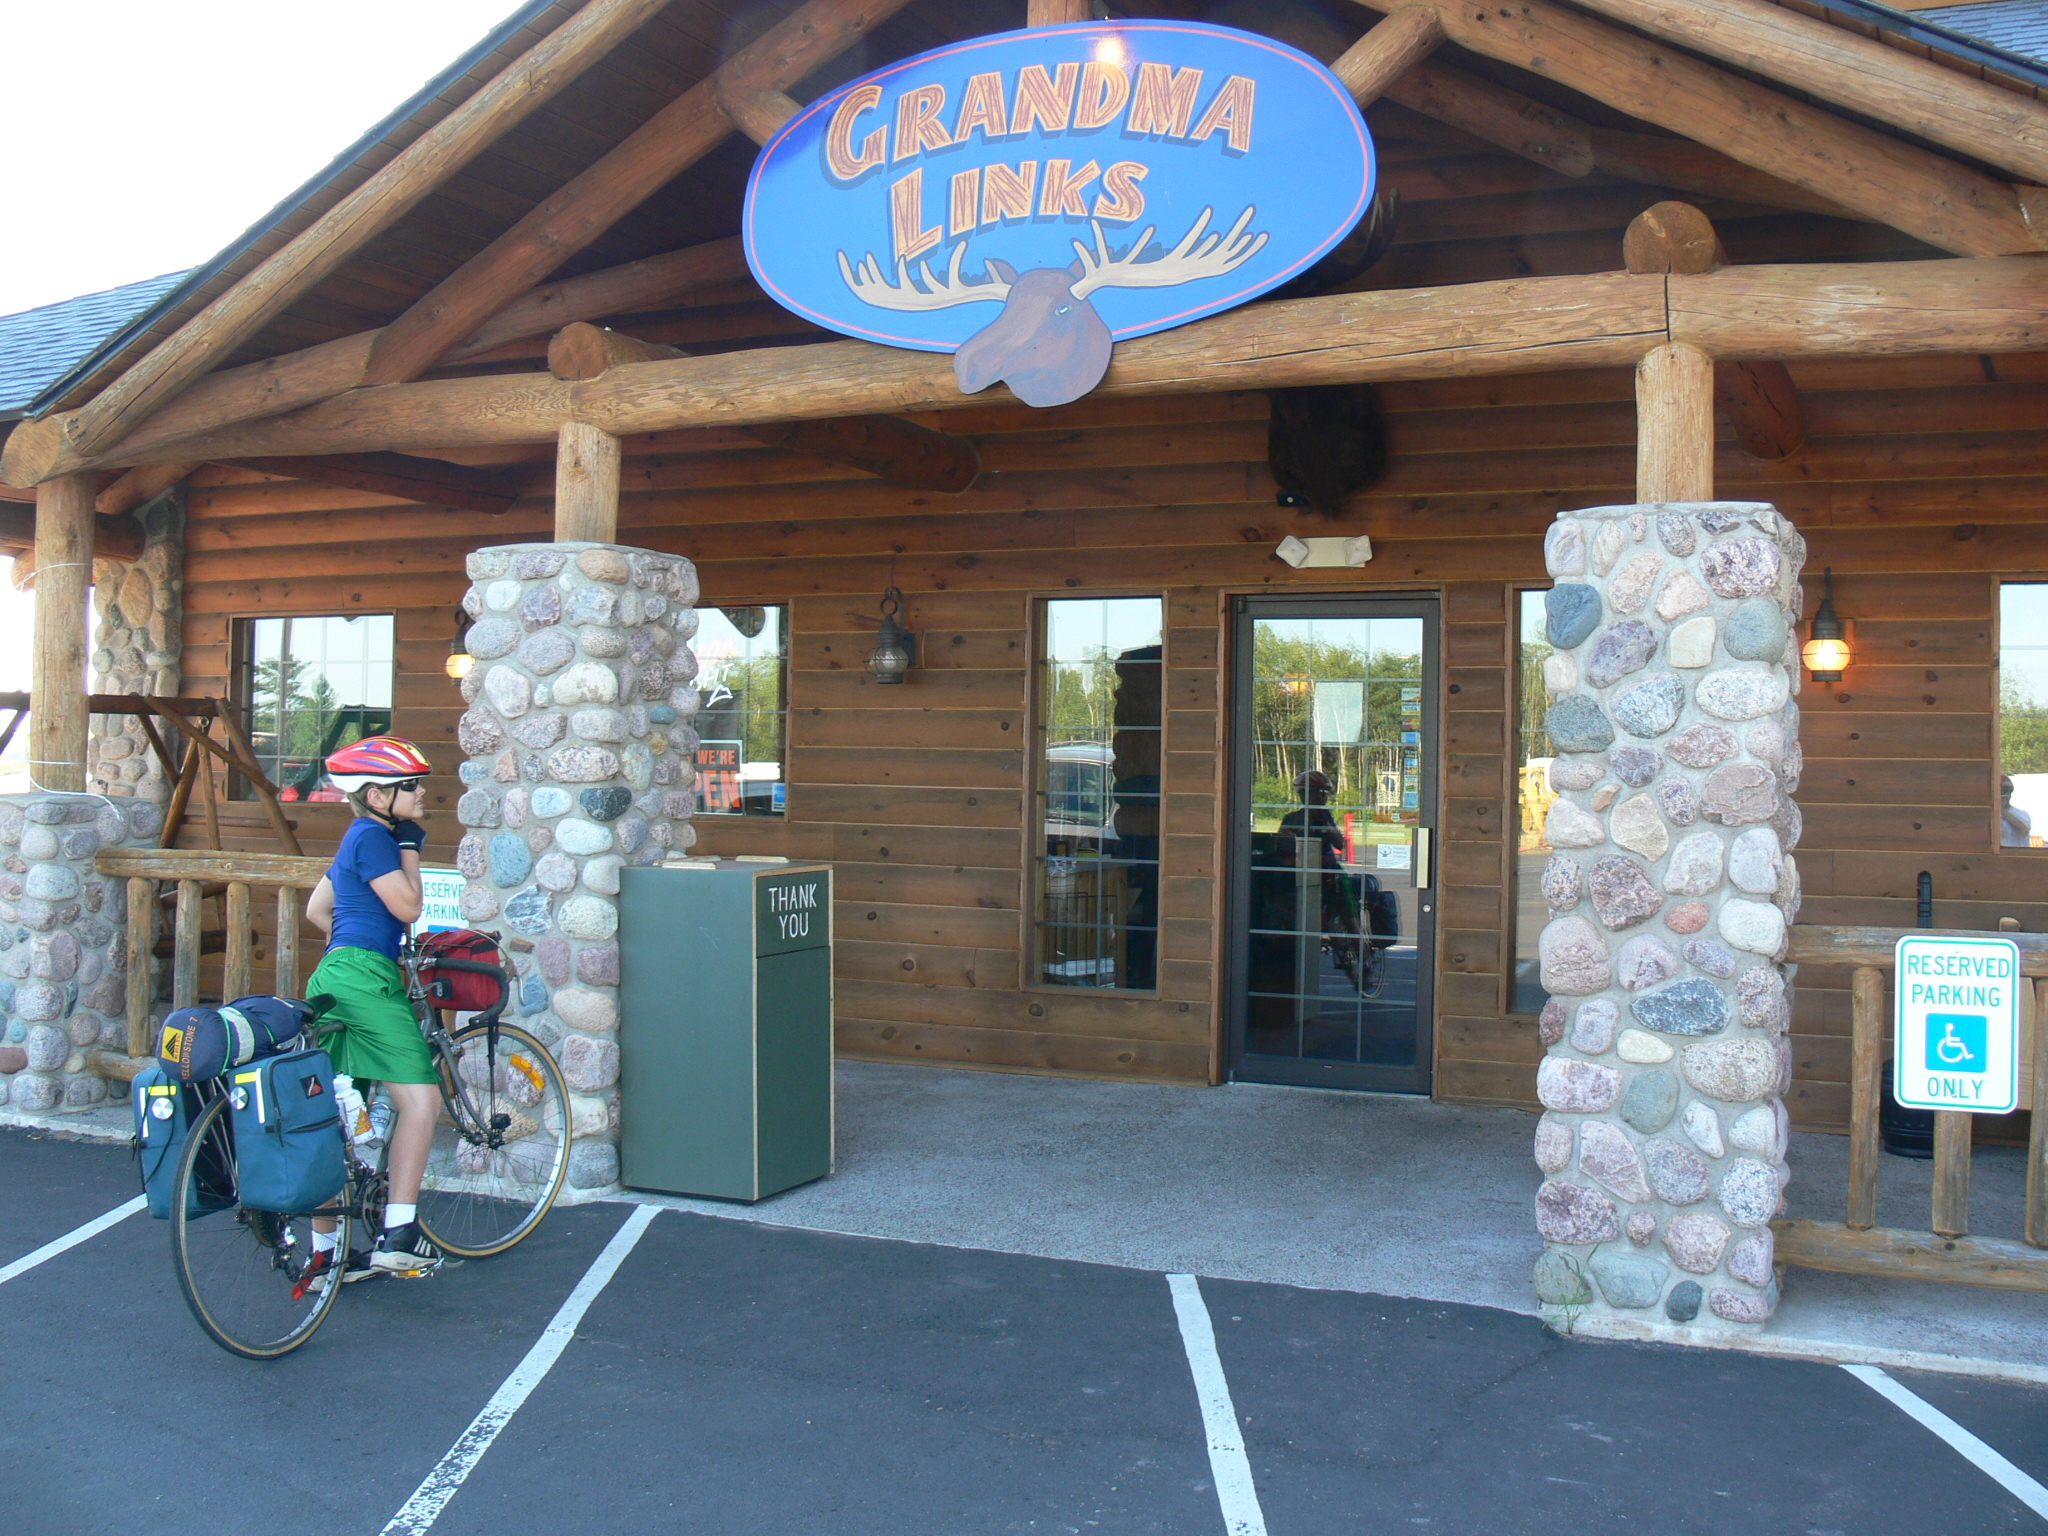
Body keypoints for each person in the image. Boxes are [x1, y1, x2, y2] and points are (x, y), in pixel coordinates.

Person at [296, 735, 442, 1285]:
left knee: (336, 1118)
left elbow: (317, 910)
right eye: (410, 785)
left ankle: (325, 1257)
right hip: (364, 980)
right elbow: (409, 906)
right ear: (377, 796)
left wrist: (355, 940)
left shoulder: (355, 838)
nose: (421, 792)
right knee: (422, 1100)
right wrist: (410, 847)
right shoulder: (377, 837)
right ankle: (398, 1235)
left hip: (335, 974)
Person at [2002, 774, 2034, 848]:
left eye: (2006, 792)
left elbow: (2023, 828)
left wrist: (2001, 810)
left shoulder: (2021, 814)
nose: (2004, 796)